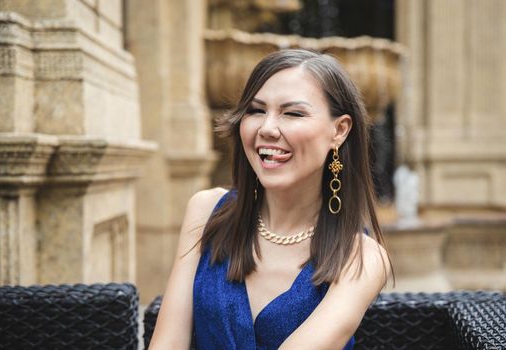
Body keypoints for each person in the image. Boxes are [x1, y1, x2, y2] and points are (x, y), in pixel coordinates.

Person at [148, 49, 392, 350]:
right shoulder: (205, 210)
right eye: (256, 111)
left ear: (339, 130)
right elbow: (167, 344)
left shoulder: (362, 257)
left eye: (292, 113)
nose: (266, 129)